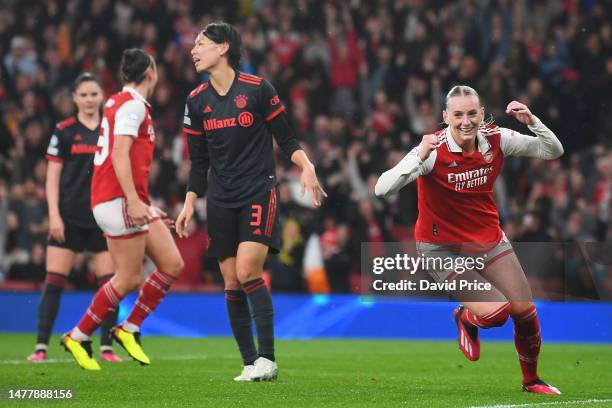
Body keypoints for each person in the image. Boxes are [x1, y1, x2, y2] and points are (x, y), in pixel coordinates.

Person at [375, 85, 564, 394]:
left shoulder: (497, 138)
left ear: (481, 113)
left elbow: (553, 151)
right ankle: (465, 316)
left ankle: (531, 381)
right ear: (445, 117)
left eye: (472, 113)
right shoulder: (432, 150)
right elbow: (381, 189)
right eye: (458, 114)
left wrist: (532, 121)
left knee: (524, 311)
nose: (466, 121)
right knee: (497, 313)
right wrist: (417, 157)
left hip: (487, 239)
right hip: (441, 248)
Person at [176, 22, 326, 382]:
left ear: (223, 47)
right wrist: (188, 202)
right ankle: (249, 363)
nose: (193, 50)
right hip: (220, 199)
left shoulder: (258, 90)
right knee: (230, 282)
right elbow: (198, 162)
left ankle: (268, 358)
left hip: (259, 190)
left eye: (200, 44)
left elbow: (287, 140)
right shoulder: (196, 101)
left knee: (247, 273)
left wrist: (306, 166)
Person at [61, 49, 184, 370]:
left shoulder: (119, 101)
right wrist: (132, 199)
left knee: (172, 263)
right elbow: (119, 154)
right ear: (151, 74)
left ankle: (129, 327)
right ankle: (78, 335)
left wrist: (146, 205)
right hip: (117, 200)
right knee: (128, 278)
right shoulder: (131, 107)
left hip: (121, 198)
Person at [27, 73, 121, 363]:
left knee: (110, 285)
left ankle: (106, 348)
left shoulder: (111, 129)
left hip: (102, 218)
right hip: (68, 217)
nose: (90, 99)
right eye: (84, 95)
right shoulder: (64, 131)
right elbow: (52, 177)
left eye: (94, 94)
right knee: (54, 282)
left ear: (101, 96)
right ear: (75, 98)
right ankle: (41, 347)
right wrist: (54, 215)